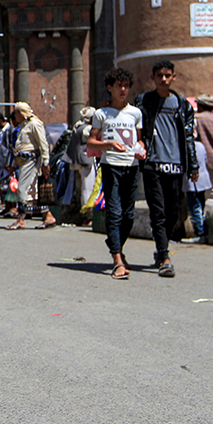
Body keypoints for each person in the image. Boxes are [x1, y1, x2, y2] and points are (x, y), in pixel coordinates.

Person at [133, 60, 198, 278]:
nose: (163, 79)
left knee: (173, 212)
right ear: (153, 77)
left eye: (167, 75)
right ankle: (164, 256)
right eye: (159, 75)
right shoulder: (143, 102)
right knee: (158, 211)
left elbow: (188, 137)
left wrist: (193, 165)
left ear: (173, 77)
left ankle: (160, 250)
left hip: (176, 165)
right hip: (152, 164)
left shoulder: (182, 105)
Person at [87, 68, 146, 279]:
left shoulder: (136, 113)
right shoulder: (101, 114)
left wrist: (141, 149)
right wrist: (108, 143)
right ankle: (117, 259)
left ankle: (117, 246)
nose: (123, 90)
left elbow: (138, 140)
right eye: (119, 86)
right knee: (114, 211)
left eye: (126, 86)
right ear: (110, 88)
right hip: (111, 166)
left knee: (128, 215)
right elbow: (91, 141)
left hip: (132, 167)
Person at [7, 102, 56, 230]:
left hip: (32, 161)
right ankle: (48, 216)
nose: (15, 116)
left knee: (23, 190)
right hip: (22, 161)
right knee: (31, 192)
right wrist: (13, 164)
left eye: (16, 113)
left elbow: (43, 144)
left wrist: (46, 162)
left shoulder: (35, 124)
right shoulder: (24, 125)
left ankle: (20, 219)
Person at [66, 106, 97, 224]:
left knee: (80, 188)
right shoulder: (87, 129)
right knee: (87, 188)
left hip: (77, 161)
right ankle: (87, 215)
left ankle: (82, 212)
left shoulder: (78, 126)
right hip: (85, 162)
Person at [185, 126, 212, 244]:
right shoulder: (201, 145)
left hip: (192, 181)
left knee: (194, 207)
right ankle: (203, 232)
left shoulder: (185, 147)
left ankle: (199, 233)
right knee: (201, 205)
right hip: (203, 179)